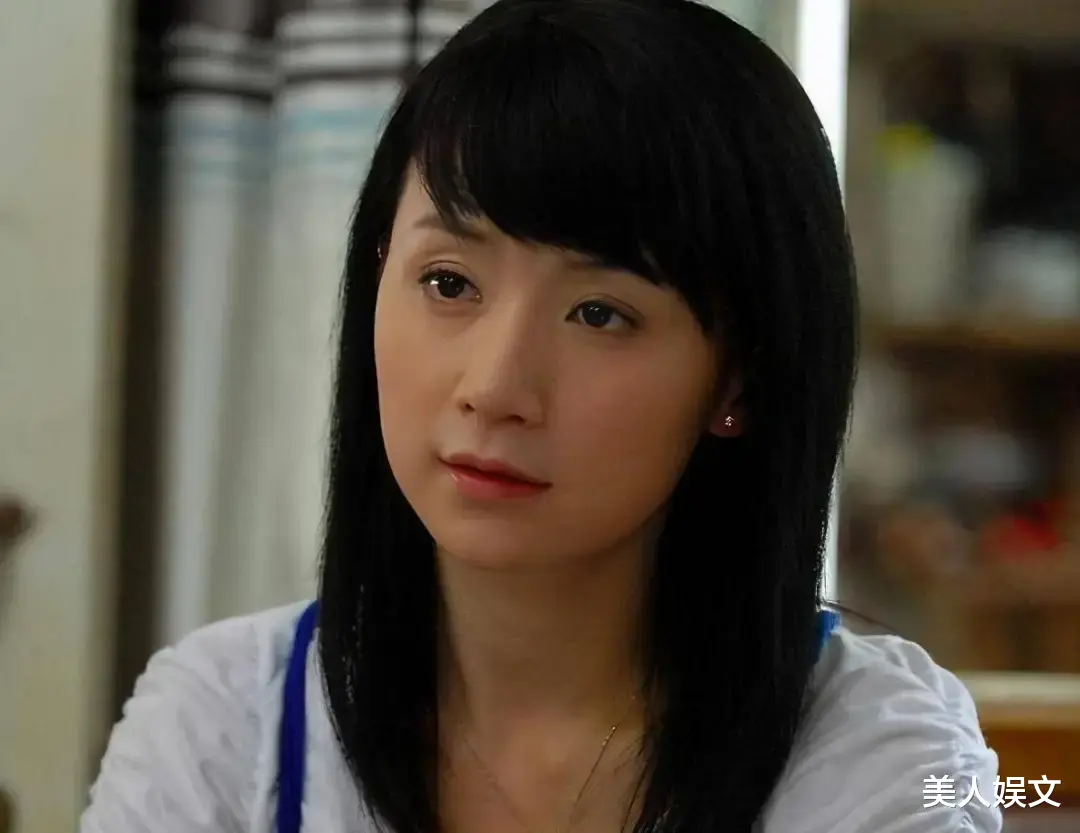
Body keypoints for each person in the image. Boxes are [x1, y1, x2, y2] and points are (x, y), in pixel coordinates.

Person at [80, 0, 1002, 831]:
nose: (494, 386)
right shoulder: (224, 724)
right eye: (450, 282)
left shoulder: (877, 762)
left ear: (740, 381)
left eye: (600, 313)